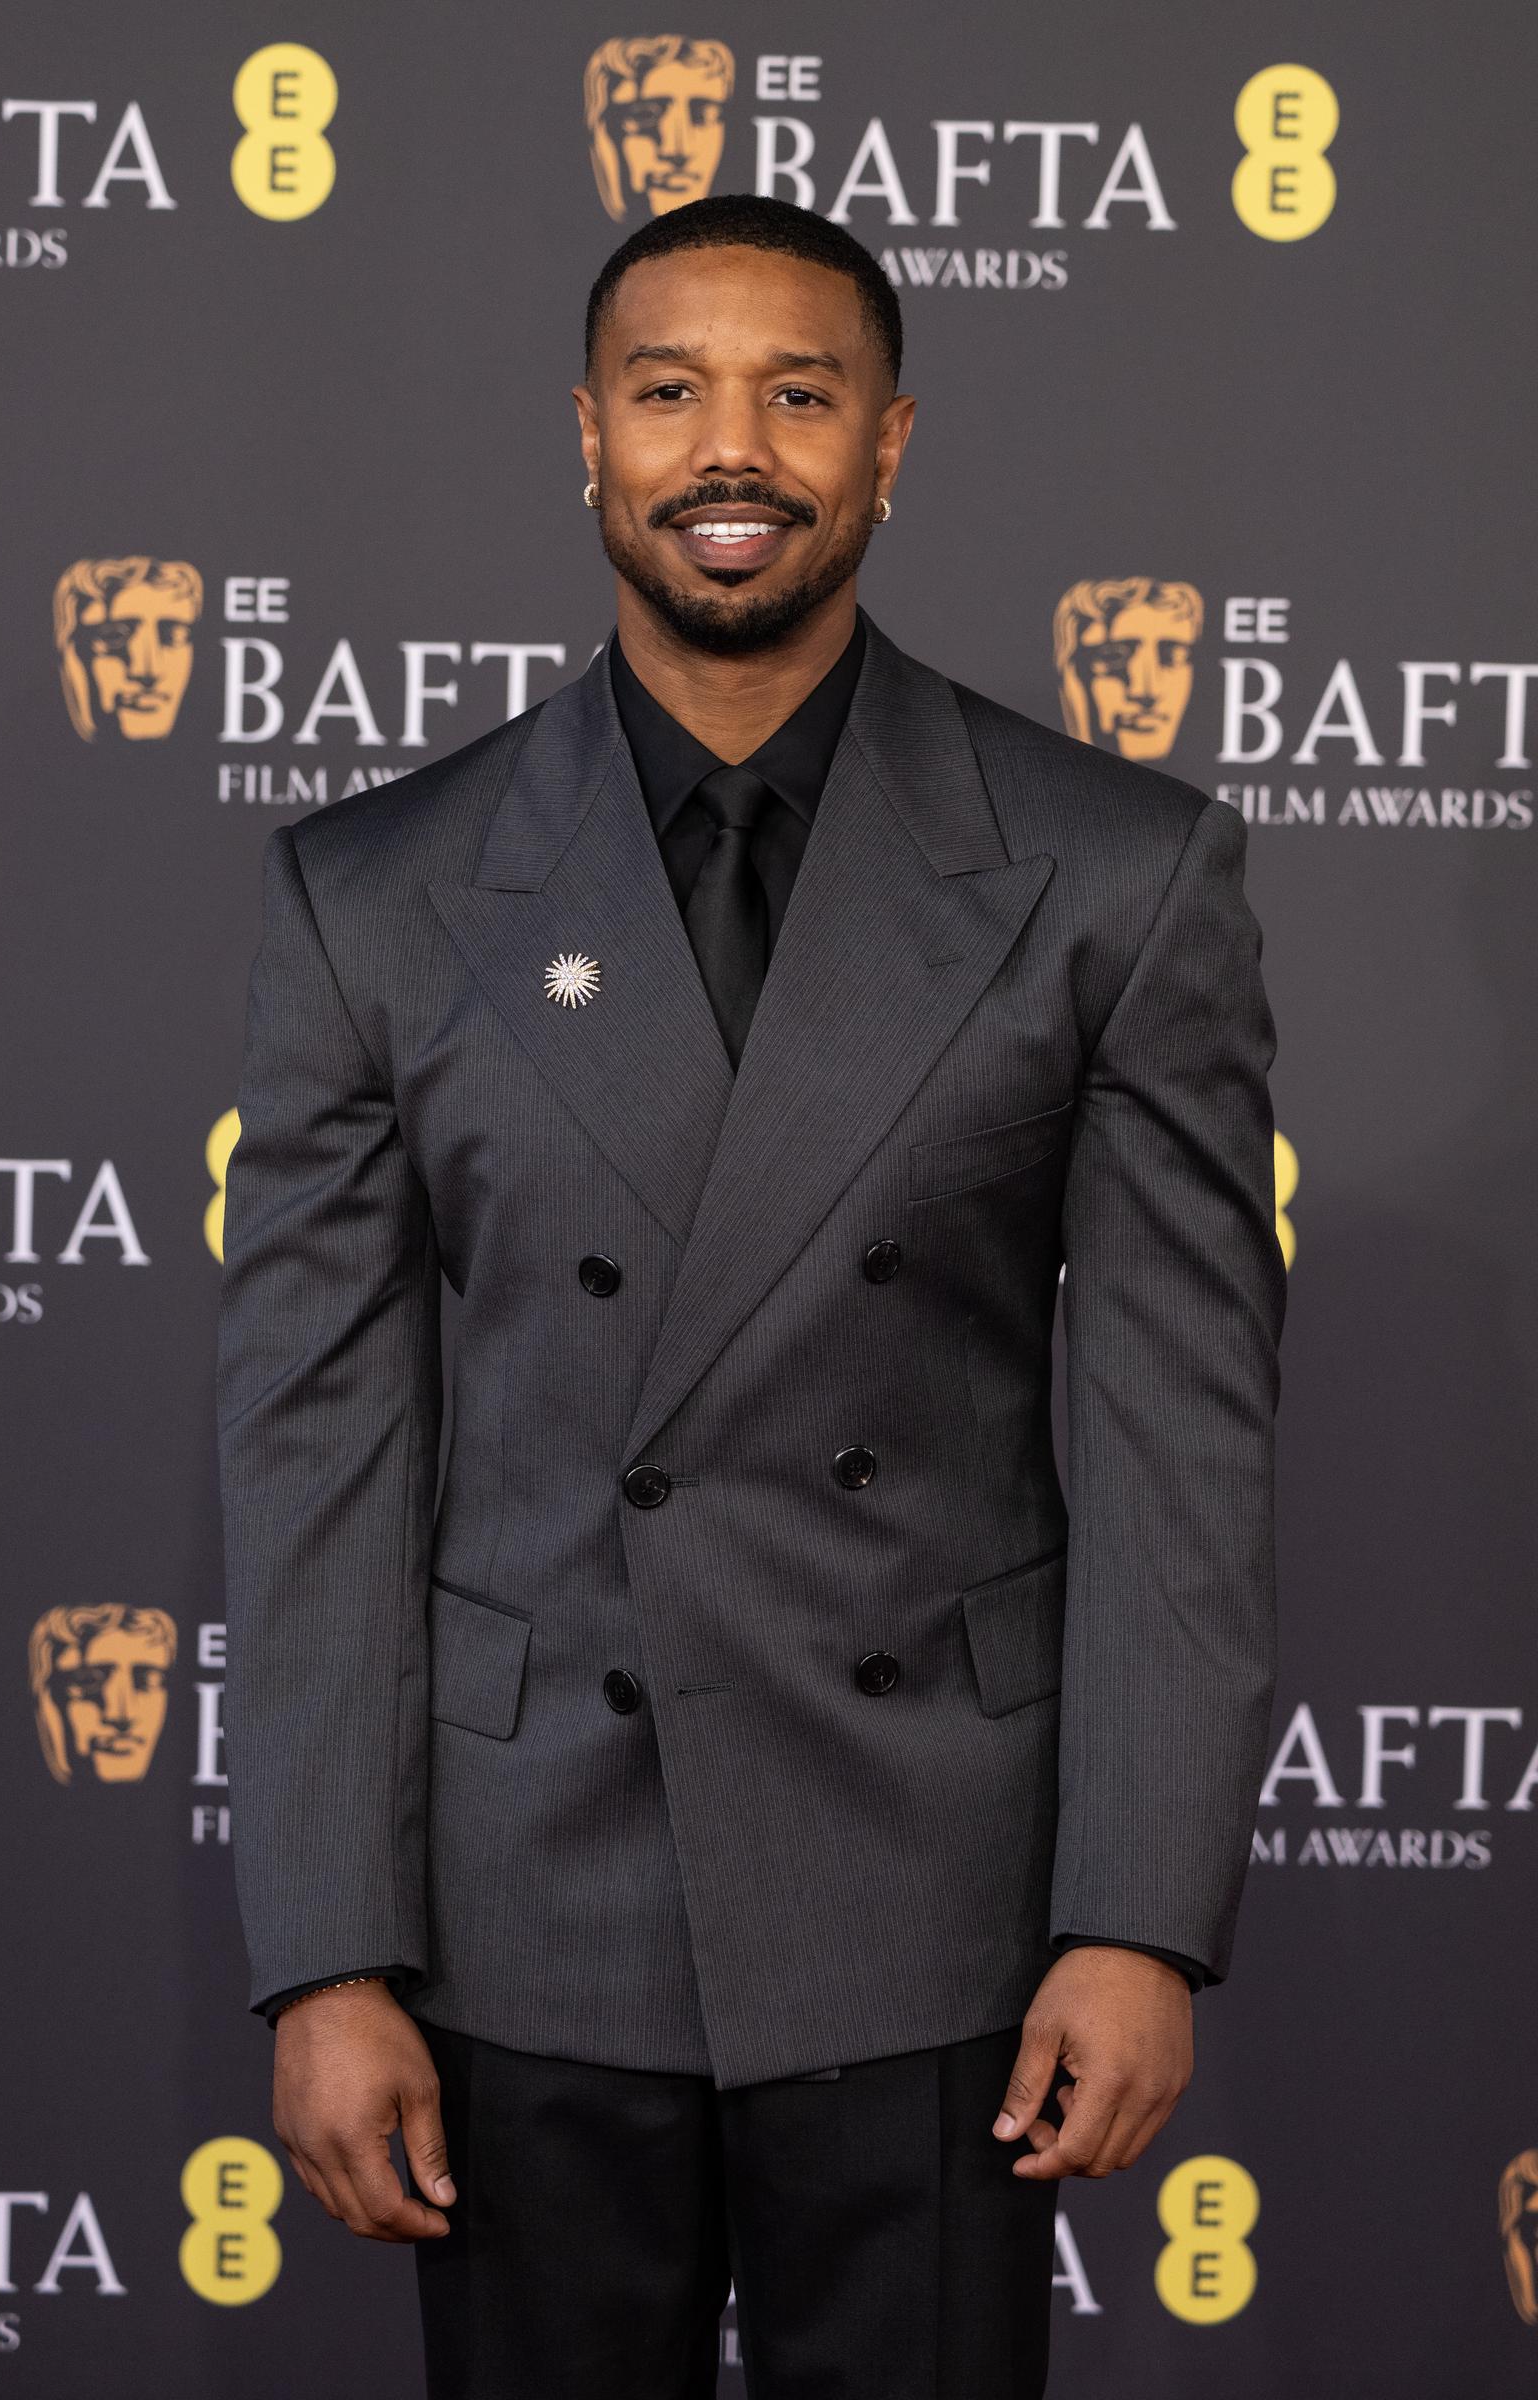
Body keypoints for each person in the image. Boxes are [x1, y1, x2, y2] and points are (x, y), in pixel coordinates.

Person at [216, 193, 1285, 2399]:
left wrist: (1135, 1914)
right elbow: (317, 1454)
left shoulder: (1113, 870)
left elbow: (1181, 1433)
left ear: (887, 447)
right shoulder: (376, 896)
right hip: (525, 1913)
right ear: (585, 439)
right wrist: (323, 1954)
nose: (734, 446)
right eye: (670, 388)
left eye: (797, 394)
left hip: (938, 1912)